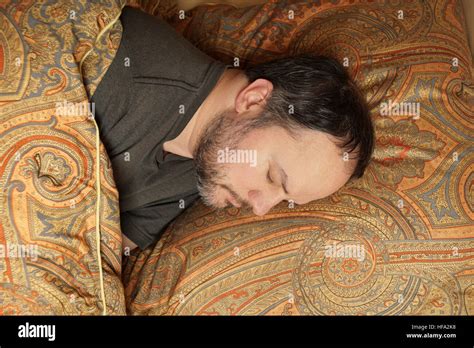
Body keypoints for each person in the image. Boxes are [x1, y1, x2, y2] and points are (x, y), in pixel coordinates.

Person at [91, 6, 375, 251]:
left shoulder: (203, 171)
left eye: (284, 201)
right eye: (273, 176)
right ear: (253, 99)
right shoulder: (118, 67)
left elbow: (94, 261)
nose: (260, 208)